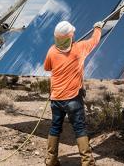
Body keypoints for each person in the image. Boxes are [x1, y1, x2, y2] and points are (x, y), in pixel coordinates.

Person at [44, 20, 104, 166]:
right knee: (79, 128)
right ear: (70, 36)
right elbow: (95, 40)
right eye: (72, 33)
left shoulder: (52, 51)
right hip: (73, 99)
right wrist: (97, 27)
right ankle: (87, 162)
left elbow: (47, 68)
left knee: (55, 127)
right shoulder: (80, 48)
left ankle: (51, 161)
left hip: (56, 99)